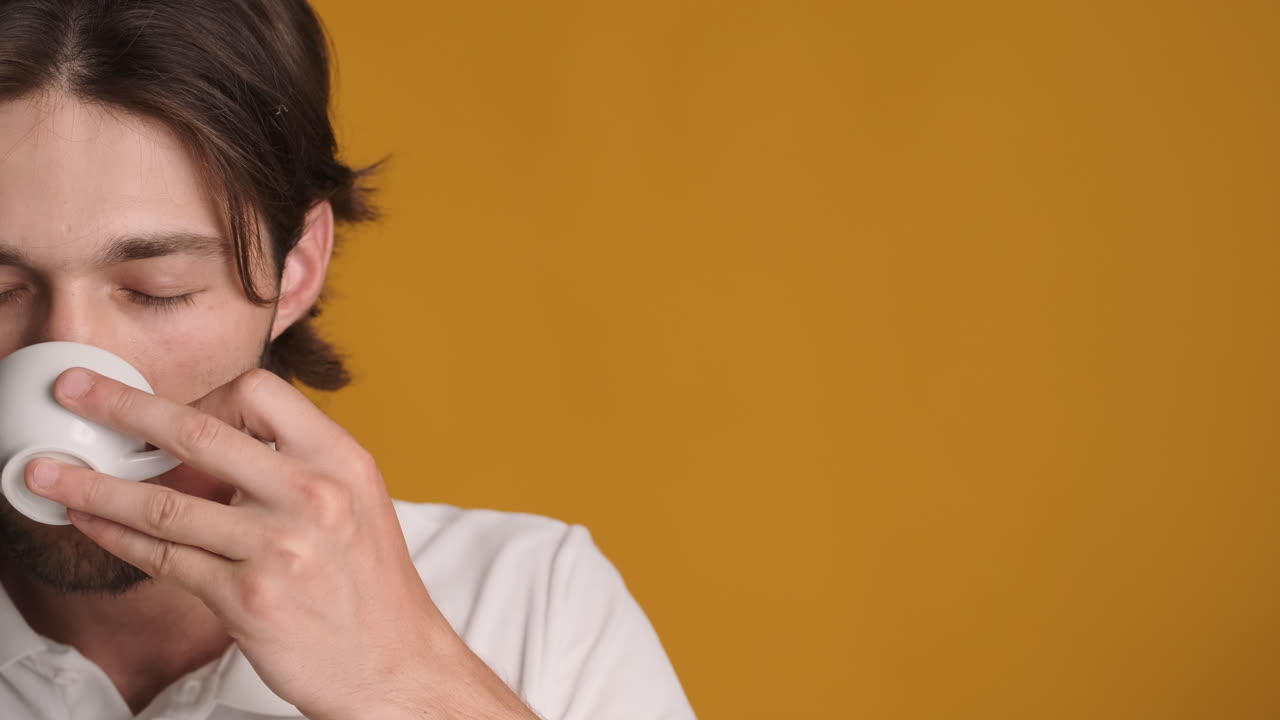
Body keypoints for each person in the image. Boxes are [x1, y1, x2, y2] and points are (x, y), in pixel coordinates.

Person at [0, 1, 697, 718]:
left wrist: (403, 678)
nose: (68, 379)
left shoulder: (530, 605)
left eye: (158, 291)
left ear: (296, 267)